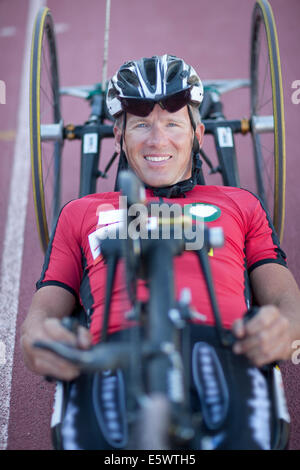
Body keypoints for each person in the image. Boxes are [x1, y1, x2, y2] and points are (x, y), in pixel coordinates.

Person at [21, 54, 300, 450]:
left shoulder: (241, 204)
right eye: (140, 125)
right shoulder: (79, 213)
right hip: (116, 352)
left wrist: (287, 328)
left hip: (222, 345)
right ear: (118, 136)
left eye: (172, 123)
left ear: (197, 133)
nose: (157, 140)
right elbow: (43, 312)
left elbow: (285, 297)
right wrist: (37, 340)